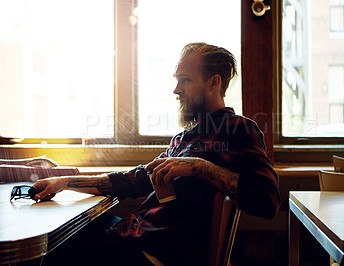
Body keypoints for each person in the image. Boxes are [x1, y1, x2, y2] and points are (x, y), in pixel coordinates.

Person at [32, 42, 281, 266]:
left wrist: (198, 167)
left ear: (214, 83)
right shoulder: (183, 139)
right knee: (69, 228)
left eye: (185, 80)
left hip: (156, 252)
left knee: (52, 246)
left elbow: (268, 201)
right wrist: (64, 183)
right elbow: (134, 179)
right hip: (137, 236)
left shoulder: (238, 129)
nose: (176, 90)